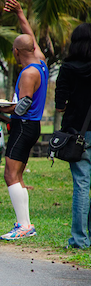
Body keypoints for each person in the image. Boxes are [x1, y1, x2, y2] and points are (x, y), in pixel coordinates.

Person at [0, 0, 49, 240]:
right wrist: (20, 13)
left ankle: (24, 226)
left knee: (10, 175)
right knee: (16, 175)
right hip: (31, 126)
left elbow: (22, 107)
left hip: (24, 126)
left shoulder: (29, 74)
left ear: (16, 51)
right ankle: (25, 223)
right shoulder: (40, 62)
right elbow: (30, 36)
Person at [55, 23, 91, 249]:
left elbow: (60, 106)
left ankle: (79, 239)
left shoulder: (67, 68)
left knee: (81, 185)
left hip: (77, 134)